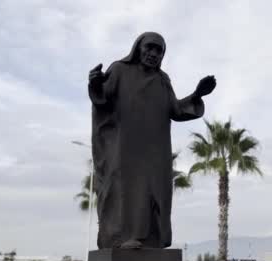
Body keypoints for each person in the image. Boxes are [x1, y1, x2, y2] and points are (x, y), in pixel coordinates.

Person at [88, 32, 216, 249]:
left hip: (156, 147)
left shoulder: (162, 79)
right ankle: (120, 238)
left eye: (159, 51)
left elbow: (176, 109)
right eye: (150, 47)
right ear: (138, 47)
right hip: (125, 145)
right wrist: (95, 83)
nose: (153, 54)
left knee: (155, 191)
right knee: (124, 188)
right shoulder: (120, 70)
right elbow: (103, 97)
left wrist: (197, 94)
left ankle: (153, 239)